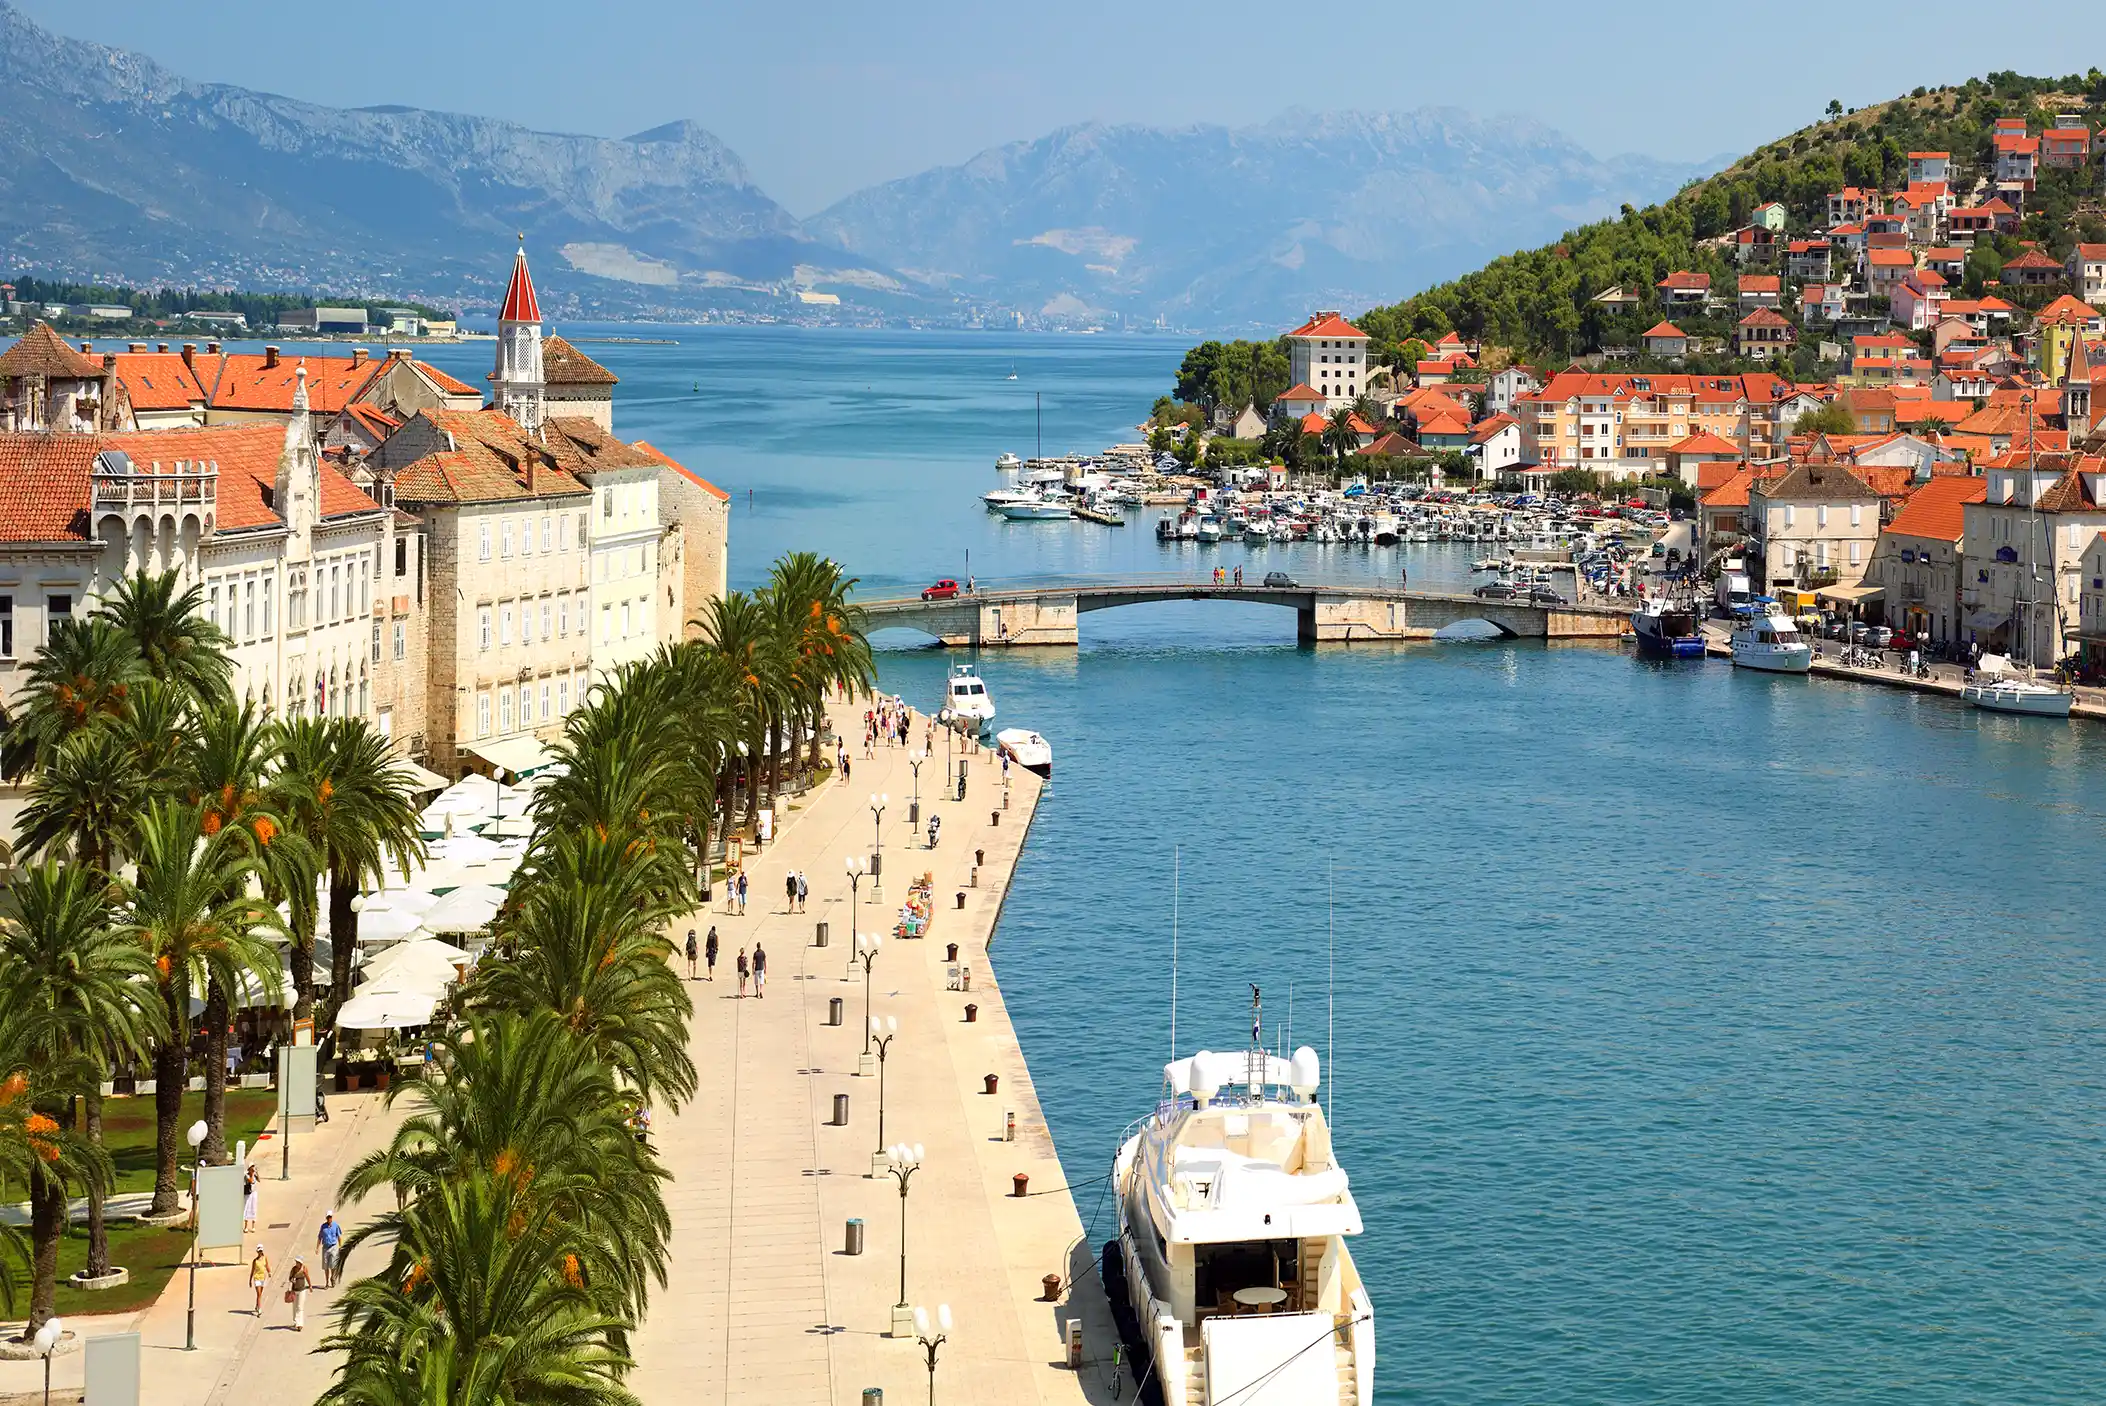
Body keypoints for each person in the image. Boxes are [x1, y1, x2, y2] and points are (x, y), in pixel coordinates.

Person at [286, 1255, 312, 1331]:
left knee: (300, 1307)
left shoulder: (304, 1268)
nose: (296, 1263)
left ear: (301, 1263)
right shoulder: (293, 1269)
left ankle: (299, 1324)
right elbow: (290, 1277)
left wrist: (310, 1286)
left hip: (302, 1290)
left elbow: (307, 1277)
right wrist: (292, 1280)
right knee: (294, 1307)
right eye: (296, 1262)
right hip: (294, 1290)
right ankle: (295, 1320)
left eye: (298, 1262)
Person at [317, 1213, 343, 1288]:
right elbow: (319, 1237)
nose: (329, 1219)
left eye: (330, 1217)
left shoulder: (335, 1226)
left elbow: (339, 1236)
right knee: (325, 1267)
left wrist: (340, 1246)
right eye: (328, 1217)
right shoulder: (323, 1227)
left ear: (332, 1217)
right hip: (325, 1247)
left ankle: (333, 1278)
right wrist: (317, 1248)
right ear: (326, 1218)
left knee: (333, 1265)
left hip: (333, 1247)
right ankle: (327, 1283)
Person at [248, 1244, 271, 1317]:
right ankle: (259, 1309)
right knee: (258, 1294)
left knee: (260, 1294)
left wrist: (269, 1272)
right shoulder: (255, 1261)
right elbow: (252, 1270)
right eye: (259, 1251)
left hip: (263, 1278)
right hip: (257, 1278)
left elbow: (267, 1266)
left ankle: (257, 1305)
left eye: (261, 1251)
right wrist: (250, 1280)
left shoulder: (265, 1258)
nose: (260, 1252)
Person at [242, 1163, 260, 1234]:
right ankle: (246, 1226)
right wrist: (252, 1174)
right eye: (251, 1167)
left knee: (253, 1208)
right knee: (247, 1209)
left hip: (254, 1193)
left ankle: (253, 1226)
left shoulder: (254, 1174)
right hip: (248, 1194)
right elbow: (251, 1181)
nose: (253, 1168)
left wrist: (257, 1172)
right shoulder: (246, 1175)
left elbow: (259, 1180)